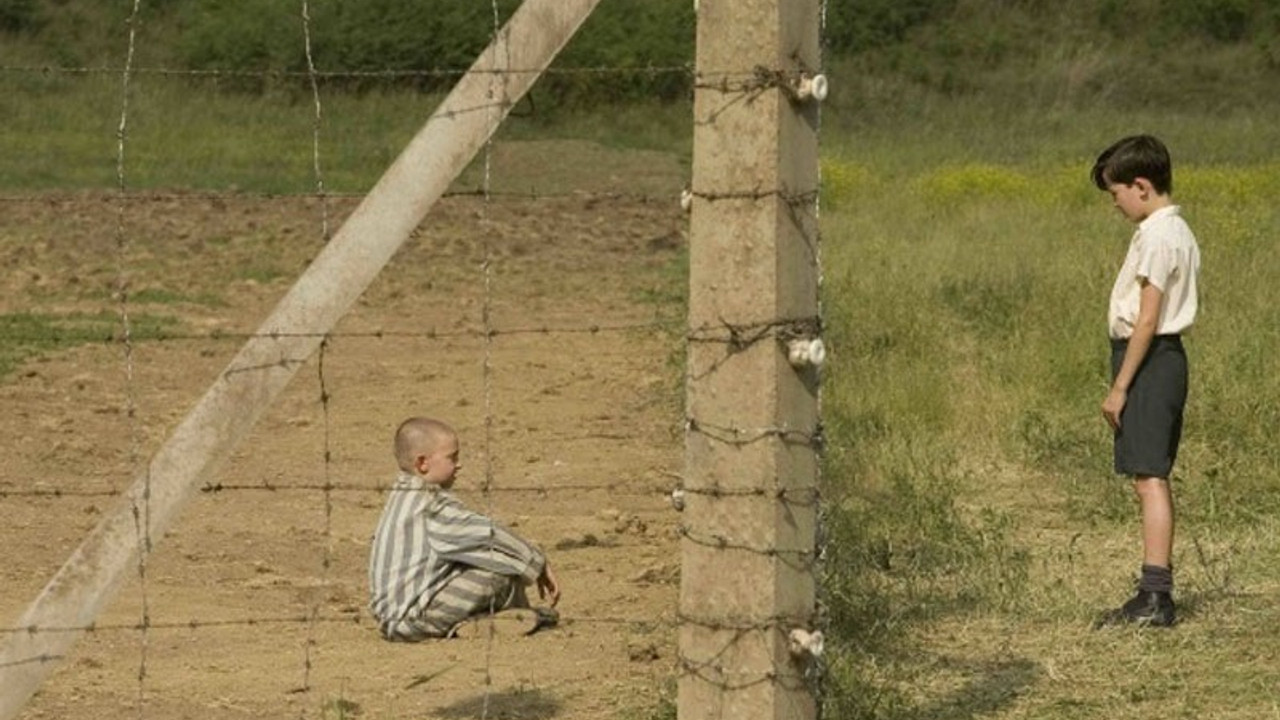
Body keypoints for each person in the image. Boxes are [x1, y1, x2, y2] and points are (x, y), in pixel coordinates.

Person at [1090, 134, 1201, 628]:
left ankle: (1156, 596)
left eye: (1115, 193)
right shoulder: (1174, 231)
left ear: (1140, 185)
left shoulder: (1158, 236)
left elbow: (1148, 318)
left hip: (1151, 358)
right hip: (1156, 358)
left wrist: (1120, 386)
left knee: (1150, 478)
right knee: (1147, 475)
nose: (1115, 204)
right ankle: (1154, 591)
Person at [368, 417, 561, 641]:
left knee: (479, 560)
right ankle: (500, 617)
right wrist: (537, 561)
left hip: (393, 619)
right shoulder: (430, 507)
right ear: (422, 464)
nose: (459, 464)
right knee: (499, 568)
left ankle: (488, 619)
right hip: (413, 620)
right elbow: (486, 534)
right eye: (452, 457)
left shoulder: (403, 496)